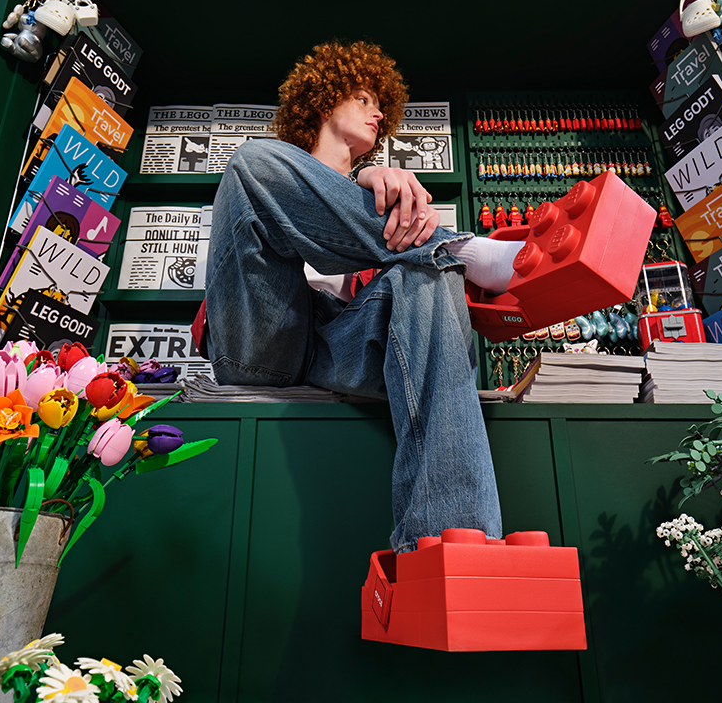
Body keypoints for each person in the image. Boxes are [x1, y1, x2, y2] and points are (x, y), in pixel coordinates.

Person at [203, 41, 526, 553]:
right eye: (361, 98)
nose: (377, 112)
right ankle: (464, 251)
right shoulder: (268, 172)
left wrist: (364, 181)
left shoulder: (386, 194)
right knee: (251, 161)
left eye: (381, 105)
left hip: (344, 348)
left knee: (429, 276)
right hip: (265, 341)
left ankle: (451, 547)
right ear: (322, 101)